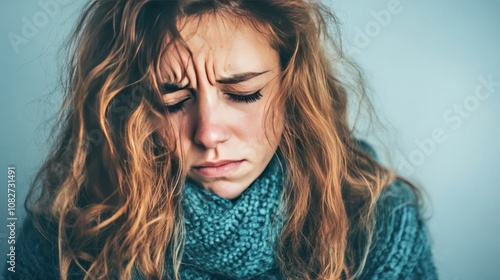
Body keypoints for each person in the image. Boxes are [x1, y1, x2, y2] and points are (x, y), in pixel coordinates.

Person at [4, 0, 438, 279]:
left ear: (293, 89)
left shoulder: (379, 223)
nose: (209, 133)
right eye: (172, 101)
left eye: (243, 94)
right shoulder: (62, 238)